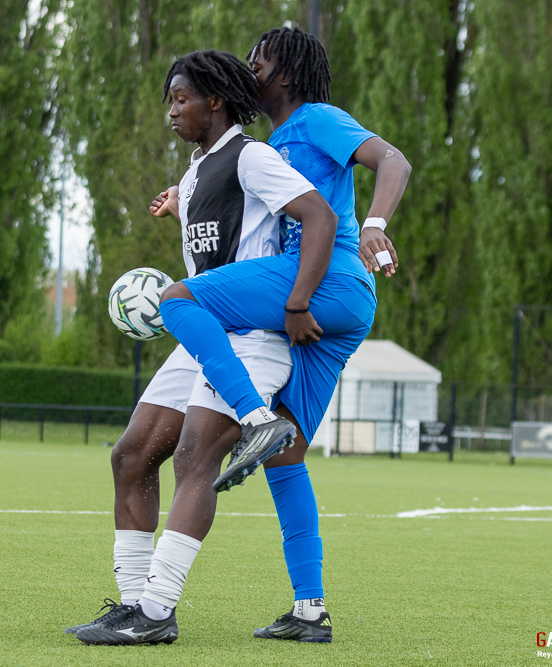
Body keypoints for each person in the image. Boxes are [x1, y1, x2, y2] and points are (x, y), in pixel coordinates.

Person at [145, 26, 411, 641]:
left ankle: (250, 413)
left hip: (325, 283)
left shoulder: (317, 118)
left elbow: (392, 159)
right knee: (288, 460)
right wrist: (184, 199)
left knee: (178, 299)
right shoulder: (269, 142)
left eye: (257, 62)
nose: (249, 69)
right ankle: (309, 610)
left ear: (286, 75)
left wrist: (373, 224)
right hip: (344, 308)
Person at [68, 49, 338, 645]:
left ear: (215, 100)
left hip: (252, 342)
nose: (173, 111)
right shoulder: (194, 173)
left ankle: (157, 612)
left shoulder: (253, 156)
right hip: (202, 340)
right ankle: (134, 600)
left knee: (195, 458)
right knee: (131, 456)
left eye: (181, 99)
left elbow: (318, 217)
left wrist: (297, 301)